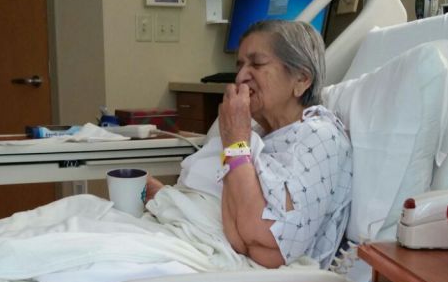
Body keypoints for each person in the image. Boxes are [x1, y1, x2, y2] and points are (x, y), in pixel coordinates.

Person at [146, 19, 353, 268]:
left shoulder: (319, 137)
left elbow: (268, 246)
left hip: (240, 272)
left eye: (257, 64)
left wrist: (235, 143)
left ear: (301, 78)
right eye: (240, 65)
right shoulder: (258, 134)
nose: (241, 76)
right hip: (183, 234)